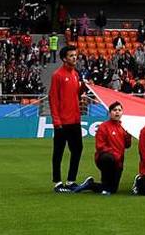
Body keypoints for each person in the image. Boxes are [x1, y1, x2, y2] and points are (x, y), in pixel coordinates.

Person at [72, 101, 133, 195]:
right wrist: (115, 155)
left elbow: (127, 146)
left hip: (118, 161)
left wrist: (128, 137)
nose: (117, 112)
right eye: (114, 110)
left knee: (112, 189)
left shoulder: (123, 127)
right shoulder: (103, 127)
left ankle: (90, 185)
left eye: (119, 110)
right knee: (108, 158)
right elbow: (100, 146)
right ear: (109, 113)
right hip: (105, 159)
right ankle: (104, 182)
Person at [49, 44, 87, 191]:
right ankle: (57, 182)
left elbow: (76, 94)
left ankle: (71, 181)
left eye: (75, 55)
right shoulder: (57, 75)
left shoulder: (75, 74)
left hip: (75, 120)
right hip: (62, 122)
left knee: (77, 149)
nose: (74, 58)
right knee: (58, 151)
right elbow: (53, 99)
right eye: (71, 56)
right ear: (65, 59)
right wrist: (56, 121)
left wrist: (84, 87)